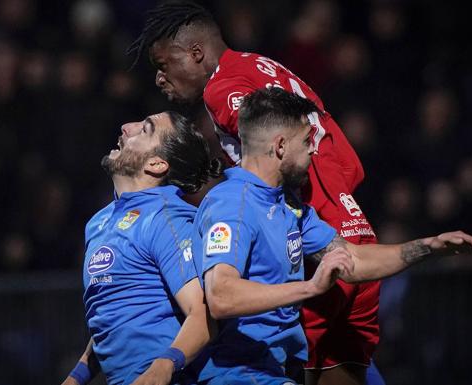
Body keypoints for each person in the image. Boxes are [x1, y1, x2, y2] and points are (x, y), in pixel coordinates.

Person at [128, 2, 382, 384]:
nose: (160, 79)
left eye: (164, 66)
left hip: (320, 247)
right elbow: (341, 157)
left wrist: (245, 204)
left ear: (196, 54)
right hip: (347, 226)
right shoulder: (259, 65)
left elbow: (268, 144)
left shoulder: (222, 91)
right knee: (348, 366)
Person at [192, 88, 472, 385]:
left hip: (277, 369)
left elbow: (354, 259)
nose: (314, 149)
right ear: (281, 146)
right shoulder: (233, 205)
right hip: (236, 373)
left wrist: (431, 246)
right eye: (307, 141)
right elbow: (221, 296)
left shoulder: (288, 206)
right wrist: (310, 287)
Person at [61, 111, 221, 385]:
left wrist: (164, 366)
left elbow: (204, 313)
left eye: (144, 130)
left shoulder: (165, 218)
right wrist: (76, 377)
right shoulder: (99, 223)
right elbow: (114, 318)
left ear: (157, 164)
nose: (125, 127)